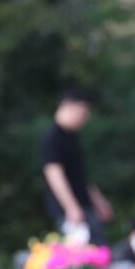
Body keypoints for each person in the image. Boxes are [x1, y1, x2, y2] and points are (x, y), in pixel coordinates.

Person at [41, 89, 112, 246]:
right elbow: (54, 173)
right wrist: (71, 207)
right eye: (83, 112)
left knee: (99, 250)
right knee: (82, 254)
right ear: (69, 106)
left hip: (84, 206)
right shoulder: (54, 137)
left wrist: (99, 201)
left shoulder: (72, 137)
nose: (85, 118)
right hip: (71, 211)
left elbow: (81, 176)